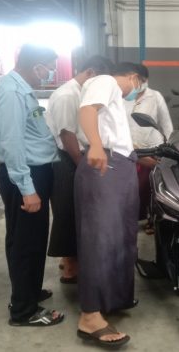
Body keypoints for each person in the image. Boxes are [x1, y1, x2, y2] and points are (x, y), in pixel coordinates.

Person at [0, 44, 64, 326]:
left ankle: (28, 291)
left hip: (32, 171)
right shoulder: (12, 92)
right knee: (26, 242)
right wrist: (27, 188)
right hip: (25, 174)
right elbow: (12, 142)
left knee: (28, 238)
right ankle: (23, 310)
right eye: (49, 69)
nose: (50, 74)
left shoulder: (20, 89)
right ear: (36, 66)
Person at [74, 65, 142, 348]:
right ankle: (90, 315)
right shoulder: (106, 81)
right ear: (133, 77)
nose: (135, 91)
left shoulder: (113, 95)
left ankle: (111, 298)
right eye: (138, 85)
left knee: (120, 238)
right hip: (106, 165)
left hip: (119, 165)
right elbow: (88, 110)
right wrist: (96, 145)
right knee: (99, 240)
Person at [45, 55, 114, 284]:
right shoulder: (67, 95)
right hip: (66, 159)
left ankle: (70, 259)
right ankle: (70, 268)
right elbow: (67, 135)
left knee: (77, 212)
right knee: (67, 212)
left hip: (76, 156)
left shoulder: (79, 92)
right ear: (90, 72)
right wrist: (81, 165)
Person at [123, 62, 173, 230]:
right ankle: (132, 219)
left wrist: (169, 149)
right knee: (131, 189)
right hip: (129, 151)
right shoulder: (121, 96)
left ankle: (153, 219)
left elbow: (166, 124)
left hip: (152, 149)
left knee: (151, 188)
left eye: (142, 80)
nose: (139, 83)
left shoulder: (155, 96)